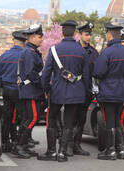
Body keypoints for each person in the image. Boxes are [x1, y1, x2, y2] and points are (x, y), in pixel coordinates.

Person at [39, 20, 91, 162]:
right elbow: (86, 75)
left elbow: (46, 73)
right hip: (76, 91)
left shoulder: (54, 50)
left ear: (62, 33)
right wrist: (86, 91)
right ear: (75, 34)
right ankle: (62, 152)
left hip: (57, 90)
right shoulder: (82, 51)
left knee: (52, 119)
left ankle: (51, 151)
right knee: (69, 122)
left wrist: (46, 88)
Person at [93, 23, 124, 160]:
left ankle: (110, 150)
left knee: (109, 121)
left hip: (108, 92)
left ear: (109, 35)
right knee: (119, 121)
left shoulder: (107, 52)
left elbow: (98, 73)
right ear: (120, 36)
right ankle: (121, 150)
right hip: (123, 93)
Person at [15, 24, 44, 159]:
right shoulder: (29, 52)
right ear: (32, 37)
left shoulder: (31, 51)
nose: (42, 39)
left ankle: (23, 145)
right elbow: (31, 73)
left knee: (28, 118)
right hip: (31, 90)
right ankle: (20, 146)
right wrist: (43, 83)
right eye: (39, 37)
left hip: (30, 90)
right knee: (32, 118)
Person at [0, 30, 27, 153]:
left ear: (14, 42)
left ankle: (5, 142)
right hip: (19, 91)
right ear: (24, 43)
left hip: (6, 90)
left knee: (8, 117)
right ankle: (18, 142)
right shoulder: (25, 55)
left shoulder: (4, 56)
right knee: (24, 118)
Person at [73, 22, 99, 156]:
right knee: (71, 119)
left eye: (90, 34)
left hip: (86, 92)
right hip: (73, 91)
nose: (89, 37)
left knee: (81, 119)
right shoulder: (74, 50)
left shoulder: (93, 53)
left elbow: (97, 72)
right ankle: (67, 145)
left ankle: (76, 145)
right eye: (86, 34)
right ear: (80, 35)